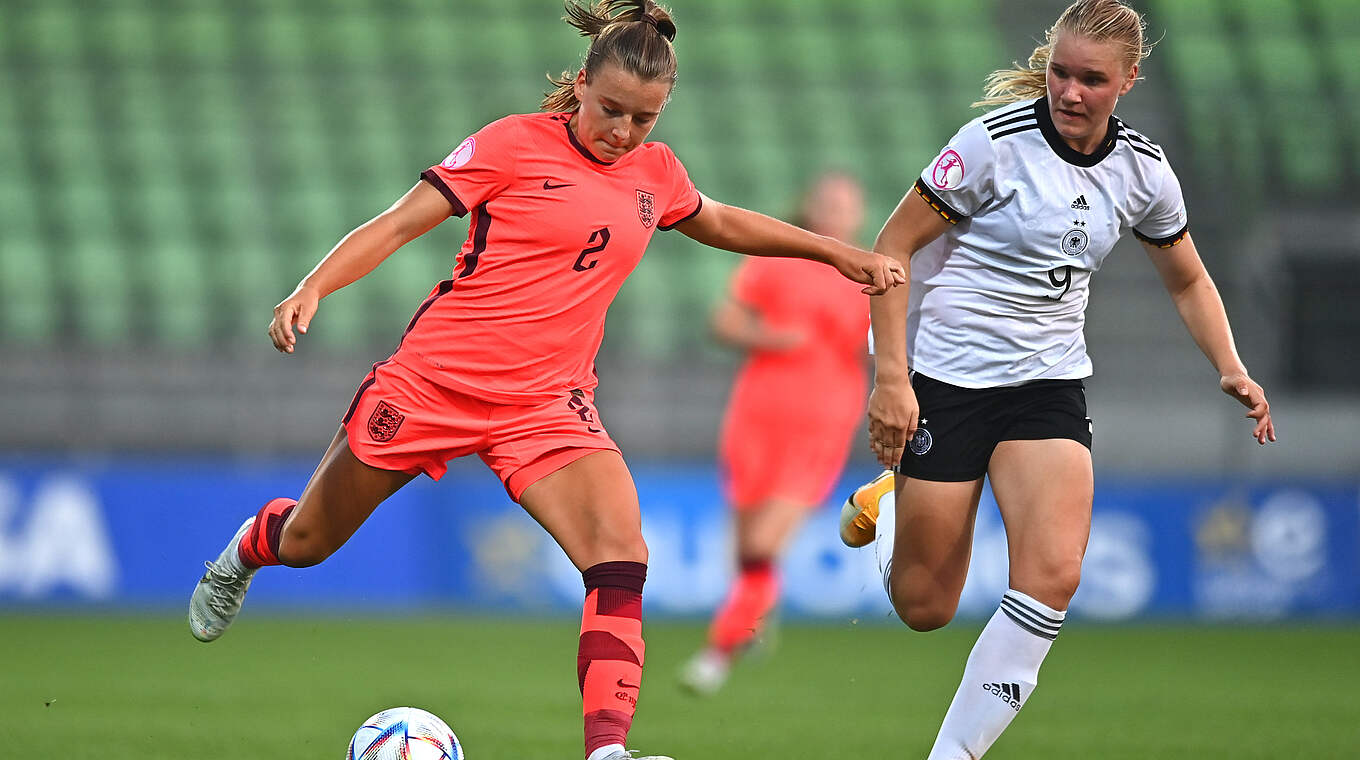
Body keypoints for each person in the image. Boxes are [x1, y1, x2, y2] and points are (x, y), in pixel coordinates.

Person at [186, 3, 904, 760]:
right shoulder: (511, 145)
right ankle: (245, 552)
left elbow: (720, 221)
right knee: (309, 541)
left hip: (546, 406)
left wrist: (837, 254)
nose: (623, 133)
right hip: (432, 384)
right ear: (582, 86)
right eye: (612, 111)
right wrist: (313, 286)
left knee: (621, 553)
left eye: (644, 119)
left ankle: (607, 751)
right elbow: (399, 222)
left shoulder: (656, 175)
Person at [836, 2, 1276, 758]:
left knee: (1054, 577)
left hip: (1048, 385)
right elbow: (891, 248)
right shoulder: (991, 145)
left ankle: (954, 754)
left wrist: (1231, 366)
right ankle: (891, 507)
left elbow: (1187, 279)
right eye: (1060, 74)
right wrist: (891, 379)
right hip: (949, 379)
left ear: (1129, 80)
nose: (1070, 93)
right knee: (924, 606)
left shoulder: (1144, 171)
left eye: (1091, 80)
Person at [678, 171, 872, 695]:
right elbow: (723, 322)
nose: (835, 211)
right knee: (746, 549)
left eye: (845, 204)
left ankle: (715, 656)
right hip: (757, 413)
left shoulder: (868, 275)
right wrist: (767, 335)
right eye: (828, 200)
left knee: (764, 544)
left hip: (823, 421)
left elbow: (889, 349)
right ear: (810, 207)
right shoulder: (776, 259)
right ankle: (756, 614)